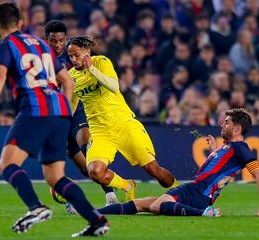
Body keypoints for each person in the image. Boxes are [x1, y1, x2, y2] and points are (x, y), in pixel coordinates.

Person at [0, 2, 109, 237]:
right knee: (55, 177)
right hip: (59, 112)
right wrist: (65, 111)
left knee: (6, 165)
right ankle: (97, 220)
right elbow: (68, 81)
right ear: (20, 23)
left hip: (34, 109)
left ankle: (36, 208)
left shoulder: (5, 46)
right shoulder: (40, 46)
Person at [97, 108, 259, 218]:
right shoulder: (228, 148)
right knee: (139, 204)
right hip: (196, 190)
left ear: (237, 129)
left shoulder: (240, 147)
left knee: (157, 206)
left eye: (227, 122)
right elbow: (220, 170)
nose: (222, 125)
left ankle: (204, 214)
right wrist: (214, 150)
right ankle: (92, 212)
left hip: (198, 192)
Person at [67, 36, 180, 201]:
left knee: (154, 171)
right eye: (70, 56)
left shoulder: (102, 62)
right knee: (95, 172)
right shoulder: (71, 76)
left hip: (124, 124)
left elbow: (114, 86)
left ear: (87, 51)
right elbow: (72, 104)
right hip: (100, 132)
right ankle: (127, 185)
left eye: (76, 55)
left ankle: (179, 190)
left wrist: (92, 69)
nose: (73, 60)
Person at [44, 20, 118, 206]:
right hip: (57, 115)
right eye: (54, 41)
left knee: (86, 142)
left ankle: (110, 195)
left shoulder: (72, 56)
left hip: (77, 110)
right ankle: (74, 200)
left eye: (61, 40)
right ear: (47, 40)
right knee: (85, 168)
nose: (58, 45)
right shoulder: (41, 60)